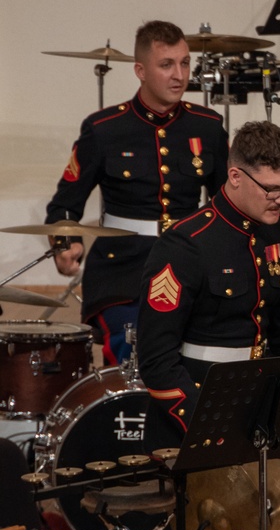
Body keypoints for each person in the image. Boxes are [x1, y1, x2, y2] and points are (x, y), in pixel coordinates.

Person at [46, 20, 228, 364]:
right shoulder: (104, 129)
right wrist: (65, 243)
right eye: (166, 65)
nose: (179, 75)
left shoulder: (207, 126)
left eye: (185, 63)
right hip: (122, 270)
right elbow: (64, 206)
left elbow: (227, 204)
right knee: (135, 348)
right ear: (140, 71)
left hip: (189, 262)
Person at [138, 119, 280, 449]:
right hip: (199, 405)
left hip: (262, 402)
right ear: (235, 176)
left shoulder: (277, 231)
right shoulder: (185, 245)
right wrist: (204, 423)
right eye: (272, 190)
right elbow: (156, 361)